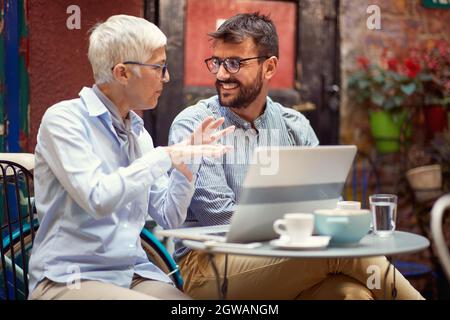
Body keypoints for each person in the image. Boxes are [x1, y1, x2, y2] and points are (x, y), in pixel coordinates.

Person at [168, 12, 424, 300]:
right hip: (208, 266)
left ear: (269, 67)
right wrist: (307, 228)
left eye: (234, 63)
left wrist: (330, 221)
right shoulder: (195, 124)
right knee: (338, 253)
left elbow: (327, 201)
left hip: (284, 259)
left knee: (352, 295)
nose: (221, 74)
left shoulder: (294, 125)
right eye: (217, 62)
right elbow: (221, 218)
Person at [28, 14, 234, 300]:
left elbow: (169, 216)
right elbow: (98, 198)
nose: (167, 77)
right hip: (69, 279)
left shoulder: (139, 134)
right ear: (122, 73)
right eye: (159, 67)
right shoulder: (64, 119)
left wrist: (189, 160)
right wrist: (165, 156)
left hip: (132, 274)